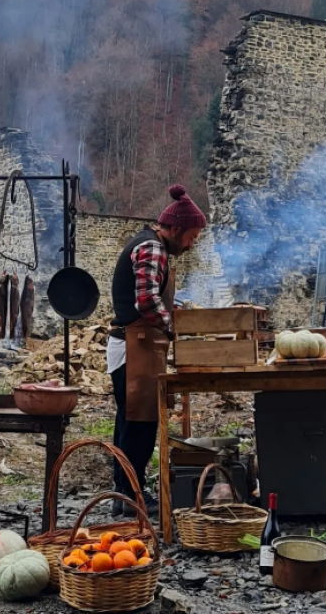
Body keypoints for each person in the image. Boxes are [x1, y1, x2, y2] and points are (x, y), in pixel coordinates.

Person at [106, 184, 205, 516]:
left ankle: (125, 493)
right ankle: (130, 495)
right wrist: (173, 326)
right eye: (190, 236)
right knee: (140, 424)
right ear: (175, 230)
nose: (191, 245)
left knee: (130, 421)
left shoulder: (150, 244)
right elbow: (146, 300)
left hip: (137, 346)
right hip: (136, 347)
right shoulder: (153, 248)